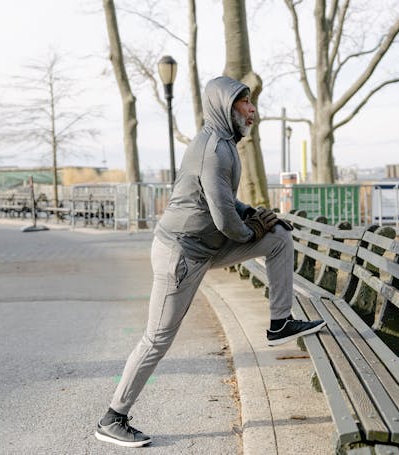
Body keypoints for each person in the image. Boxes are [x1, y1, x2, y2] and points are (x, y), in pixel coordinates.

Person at [95, 76, 327, 448]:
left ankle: (280, 323)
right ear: (224, 106)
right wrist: (251, 230)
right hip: (181, 253)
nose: (252, 110)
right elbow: (223, 217)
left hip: (207, 245)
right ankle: (113, 417)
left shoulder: (227, 145)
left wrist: (254, 214)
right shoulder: (213, 149)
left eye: (251, 103)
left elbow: (226, 201)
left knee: (279, 236)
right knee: (157, 338)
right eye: (244, 103)